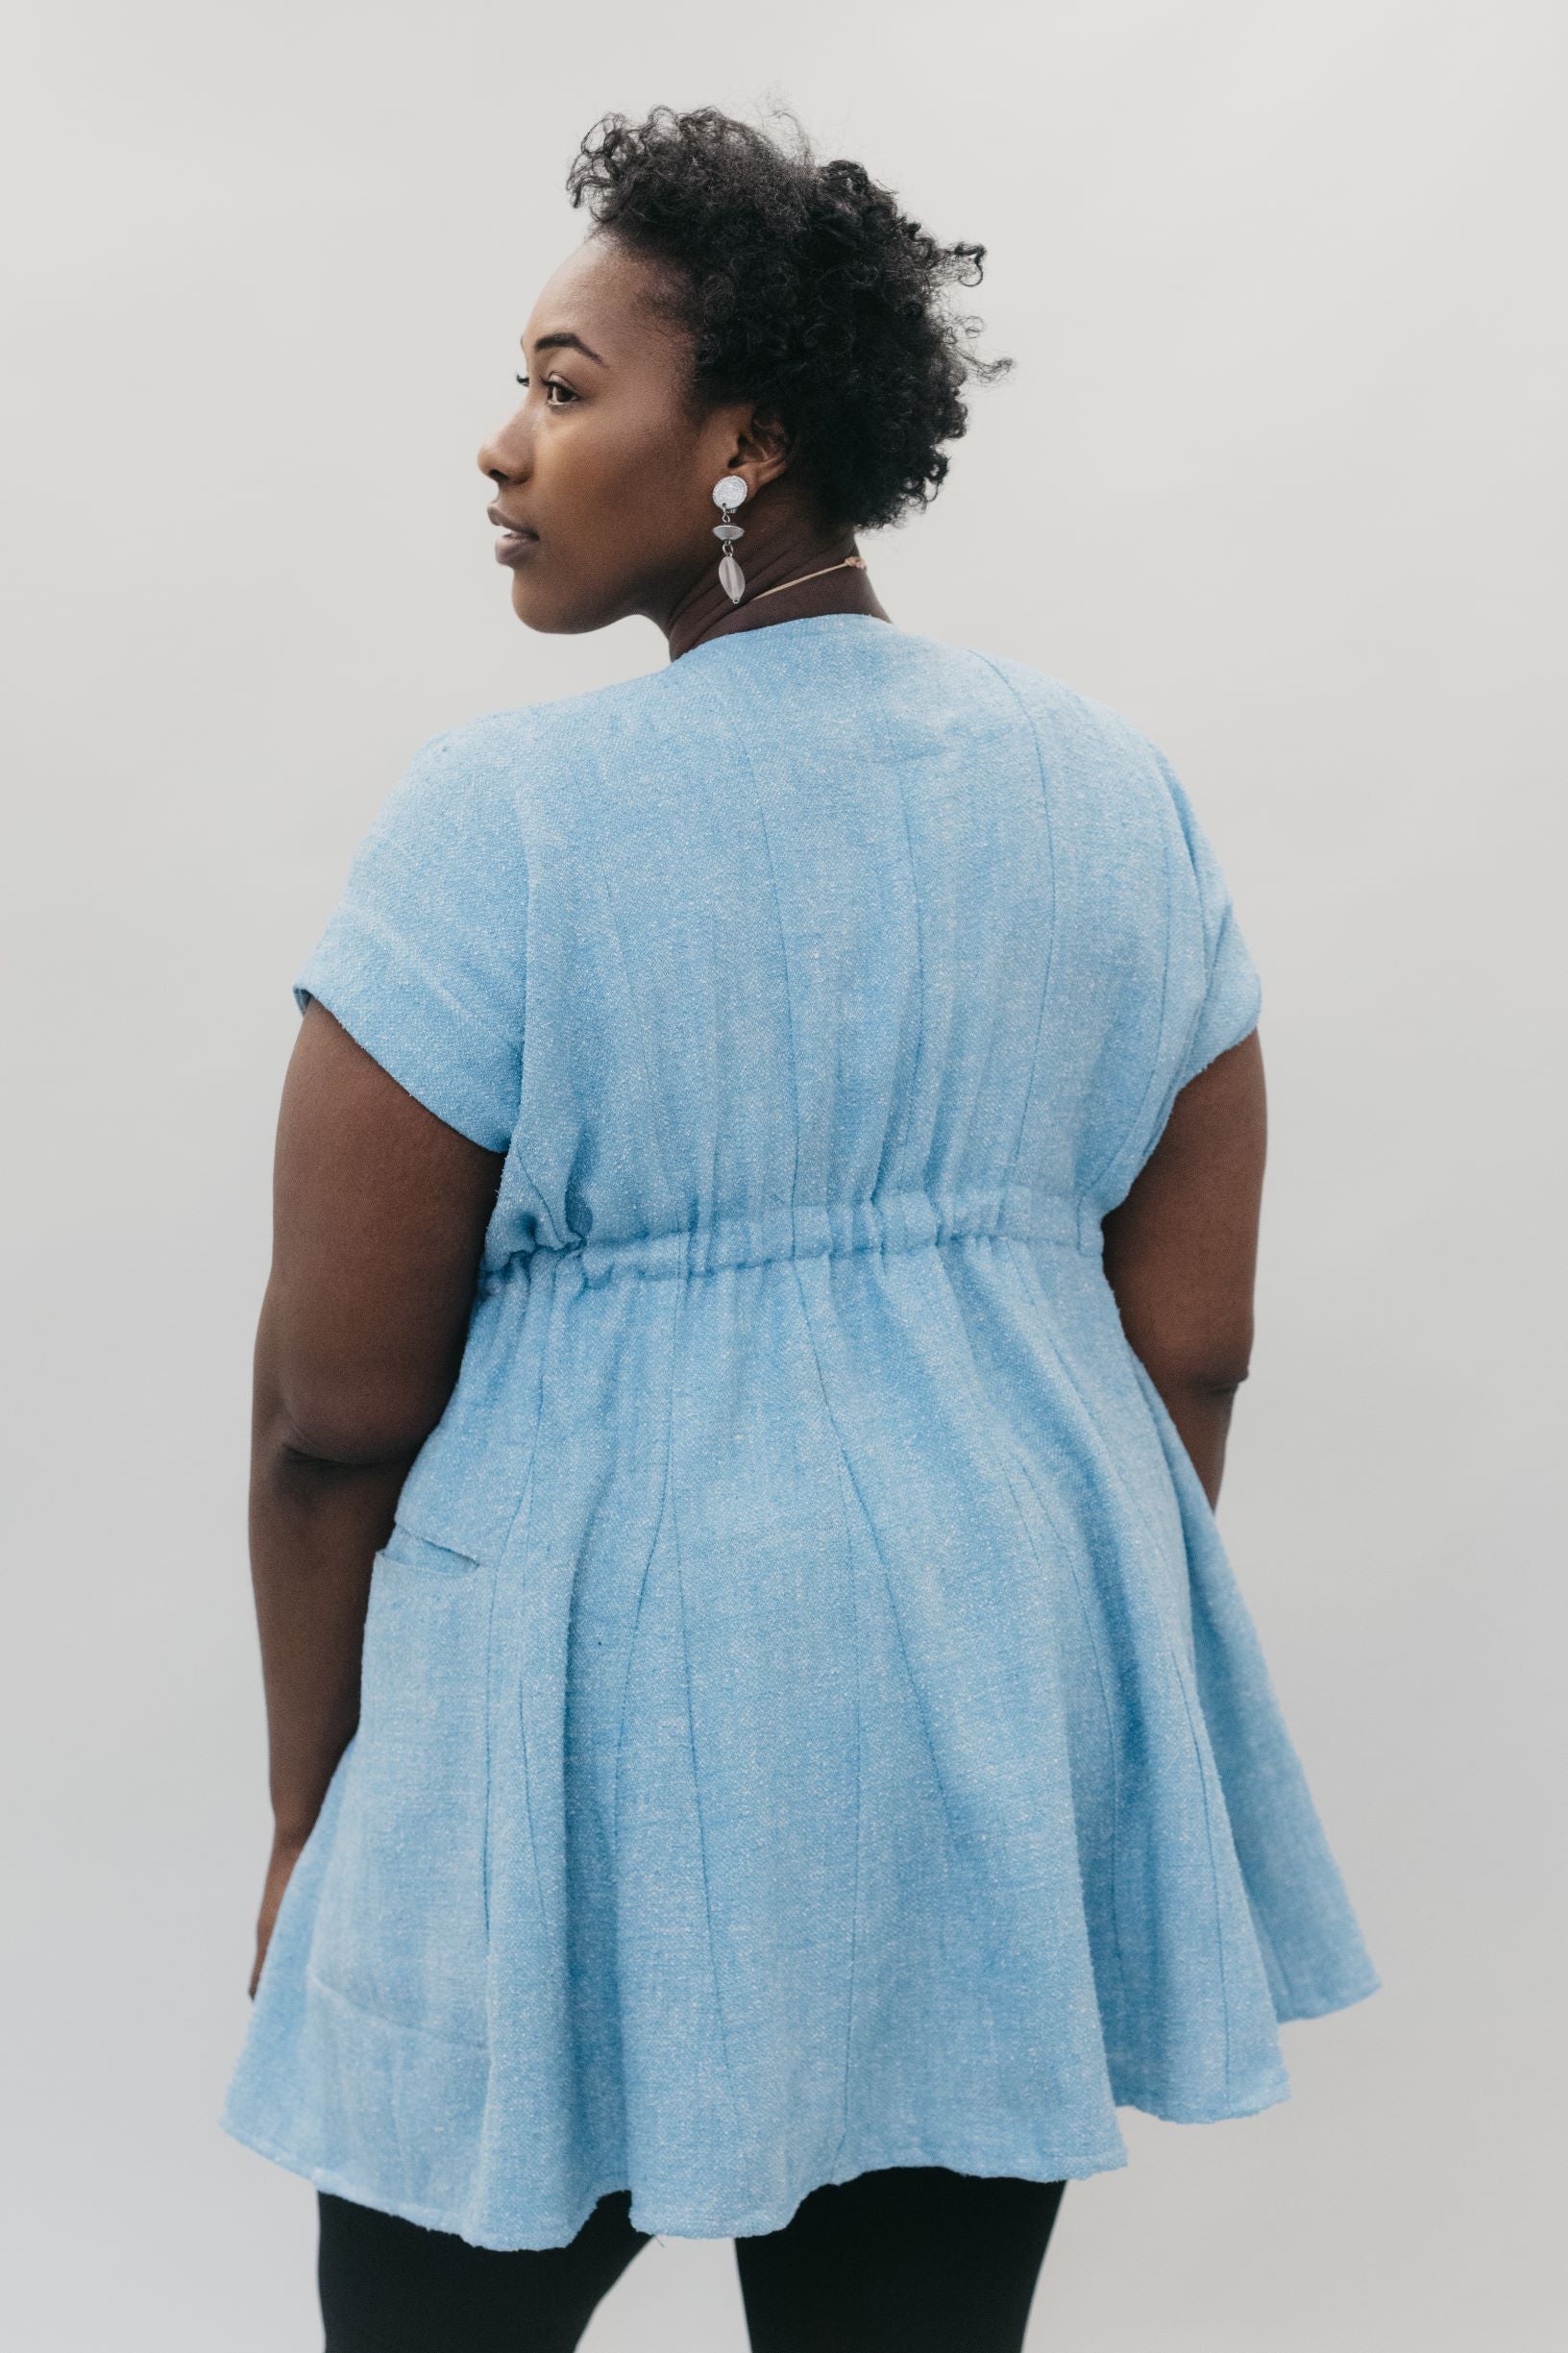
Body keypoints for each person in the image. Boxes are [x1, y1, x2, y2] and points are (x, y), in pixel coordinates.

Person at [220, 105, 1380, 2352]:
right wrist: (1053, 1650)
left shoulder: (504, 825)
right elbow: (1199, 1342)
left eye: (567, 387)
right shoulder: (1113, 790)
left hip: (558, 1744)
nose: (504, 445)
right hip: (975, 1721)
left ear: (741, 439)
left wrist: (308, 1808)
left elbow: (329, 1418)